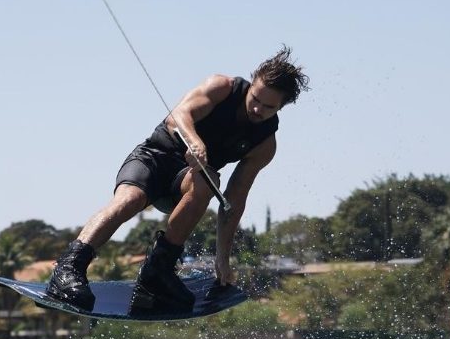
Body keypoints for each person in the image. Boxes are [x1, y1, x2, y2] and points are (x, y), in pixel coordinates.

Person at [46, 45, 309, 313]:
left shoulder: (264, 145)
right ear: (252, 83)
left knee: (209, 182)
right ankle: (69, 267)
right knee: (130, 200)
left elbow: (234, 200)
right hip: (153, 159)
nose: (257, 108)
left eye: (268, 107)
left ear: (282, 106)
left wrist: (222, 258)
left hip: (185, 182)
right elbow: (179, 115)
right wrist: (195, 143)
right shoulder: (221, 87)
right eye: (255, 98)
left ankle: (156, 272)